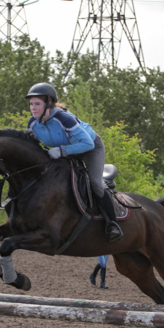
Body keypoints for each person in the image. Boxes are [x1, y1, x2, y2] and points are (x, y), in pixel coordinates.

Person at [25, 82, 123, 242]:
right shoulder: (33, 123)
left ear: (49, 103)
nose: (33, 108)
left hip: (91, 149)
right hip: (67, 151)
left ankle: (113, 224)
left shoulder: (63, 118)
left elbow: (87, 144)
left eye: (37, 104)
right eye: (31, 104)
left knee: (95, 183)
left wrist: (61, 151)